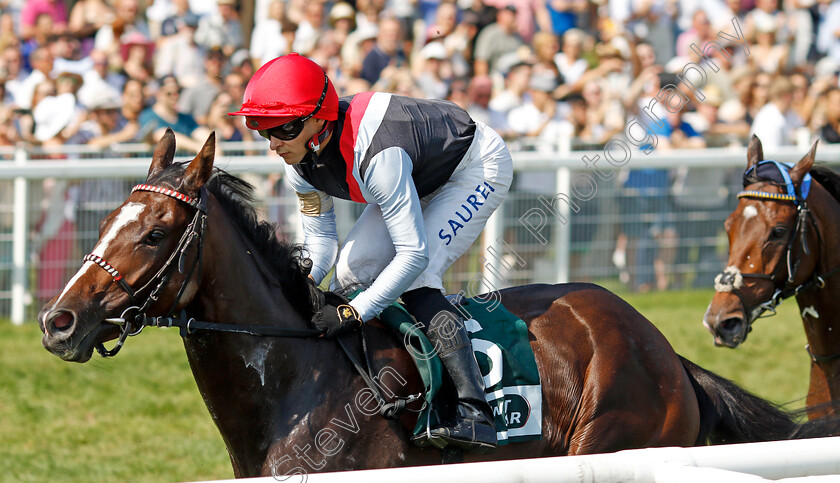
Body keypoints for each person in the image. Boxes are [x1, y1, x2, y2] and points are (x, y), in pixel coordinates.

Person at [229, 53, 513, 453]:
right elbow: (321, 242)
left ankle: (474, 411)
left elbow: (411, 254)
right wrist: (303, 284)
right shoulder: (299, 165)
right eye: (264, 131)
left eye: (284, 129)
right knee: (350, 274)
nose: (274, 143)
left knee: (418, 274)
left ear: (317, 119)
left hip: (473, 168)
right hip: (415, 171)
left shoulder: (377, 156)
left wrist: (353, 312)